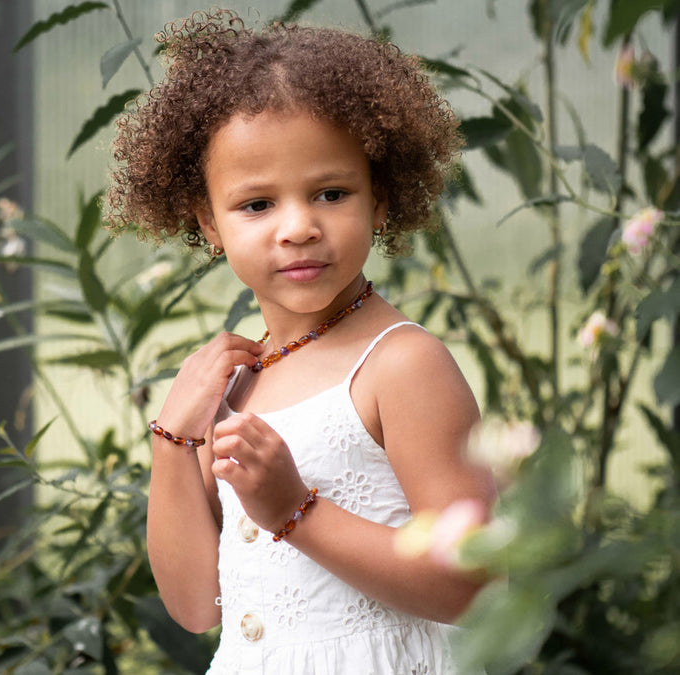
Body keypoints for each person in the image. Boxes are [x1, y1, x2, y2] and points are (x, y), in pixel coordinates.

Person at [105, 8, 496, 673]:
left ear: (379, 200)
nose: (298, 227)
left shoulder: (402, 365)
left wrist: (295, 510)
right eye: (257, 204)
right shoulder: (233, 385)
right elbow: (199, 606)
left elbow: (472, 586)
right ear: (210, 221)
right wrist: (172, 438)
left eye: (331, 193)